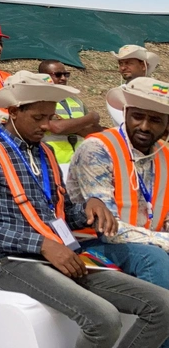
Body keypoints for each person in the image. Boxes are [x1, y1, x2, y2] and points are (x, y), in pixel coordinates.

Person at [0, 70, 169, 348]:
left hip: (64, 253)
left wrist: (89, 207)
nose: (47, 126)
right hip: (14, 262)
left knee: (163, 307)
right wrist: (42, 245)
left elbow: (62, 214)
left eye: (50, 117)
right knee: (104, 320)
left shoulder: (45, 152)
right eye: (38, 118)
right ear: (13, 111)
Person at [68, 77, 169, 311]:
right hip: (91, 245)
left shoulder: (164, 155)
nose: (144, 126)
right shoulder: (97, 149)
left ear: (167, 125)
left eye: (155, 120)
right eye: (137, 116)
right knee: (154, 259)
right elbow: (108, 231)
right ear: (125, 113)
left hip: (148, 243)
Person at [38, 59, 102, 163]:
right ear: (43, 77)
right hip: (53, 161)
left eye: (66, 74)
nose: (63, 78)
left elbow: (96, 130)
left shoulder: (76, 101)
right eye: (58, 75)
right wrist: (91, 118)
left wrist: (68, 126)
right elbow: (57, 127)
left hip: (81, 161)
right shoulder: (40, 101)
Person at [109, 45, 161, 126]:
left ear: (144, 66)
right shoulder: (117, 95)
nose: (122, 68)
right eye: (121, 63)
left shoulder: (158, 90)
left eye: (128, 63)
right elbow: (128, 124)